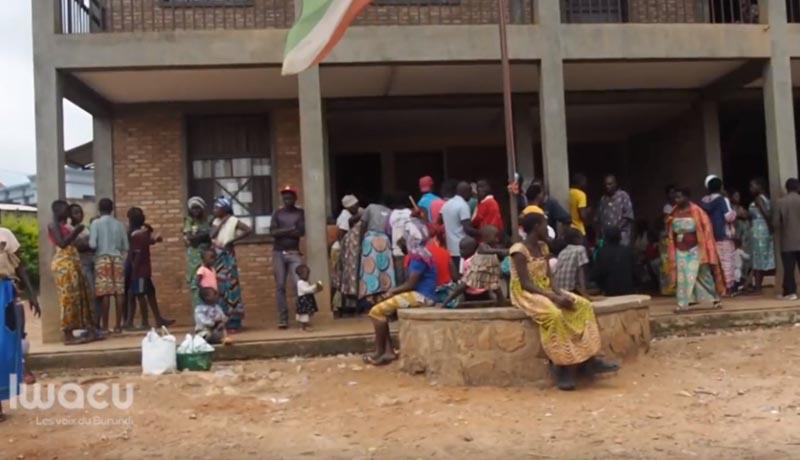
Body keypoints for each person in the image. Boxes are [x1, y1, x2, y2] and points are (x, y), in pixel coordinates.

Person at [509, 213, 618, 391]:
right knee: (555, 315)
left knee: (583, 306)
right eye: (544, 225)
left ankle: (588, 359)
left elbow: (549, 277)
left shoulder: (543, 247)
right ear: (536, 227)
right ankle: (560, 366)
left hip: (545, 289)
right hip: (526, 293)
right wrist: (554, 298)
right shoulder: (518, 251)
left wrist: (560, 294)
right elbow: (525, 283)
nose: (547, 229)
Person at [363, 219, 438, 366]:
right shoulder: (423, 253)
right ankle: (388, 351)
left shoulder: (418, 257)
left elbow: (411, 284)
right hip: (422, 295)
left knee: (376, 311)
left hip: (421, 296)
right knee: (382, 311)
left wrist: (392, 291)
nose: (402, 241)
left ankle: (380, 352)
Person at [0, 228, 40, 422]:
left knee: (5, 345)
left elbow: (20, 267)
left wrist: (32, 294)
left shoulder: (5, 235)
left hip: (4, 296)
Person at [668, 187, 725, 311]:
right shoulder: (674, 211)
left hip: (695, 248)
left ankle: (715, 299)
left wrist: (707, 248)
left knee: (702, 274)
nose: (677, 200)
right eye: (675, 197)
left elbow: (707, 229)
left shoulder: (697, 211)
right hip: (680, 249)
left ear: (687, 197)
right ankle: (683, 303)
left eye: (680, 197)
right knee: (682, 275)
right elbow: (670, 228)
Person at [50, 200, 97, 344]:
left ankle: (90, 330)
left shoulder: (67, 226)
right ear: (57, 211)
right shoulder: (53, 225)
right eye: (65, 210)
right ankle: (68, 335)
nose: (68, 212)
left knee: (83, 296)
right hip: (63, 263)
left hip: (74, 262)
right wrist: (76, 232)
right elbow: (62, 243)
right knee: (67, 299)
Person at [126, 208, 173, 329]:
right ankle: (146, 321)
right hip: (141, 270)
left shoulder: (134, 233)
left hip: (139, 269)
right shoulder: (140, 234)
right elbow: (151, 239)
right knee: (142, 294)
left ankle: (153, 320)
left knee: (146, 293)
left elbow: (149, 238)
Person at [213, 196, 253, 332]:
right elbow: (211, 235)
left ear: (225, 209)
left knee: (232, 287)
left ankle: (234, 322)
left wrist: (234, 240)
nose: (215, 210)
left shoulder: (233, 220)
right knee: (220, 288)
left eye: (217, 208)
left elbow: (248, 230)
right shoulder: (216, 221)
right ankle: (222, 320)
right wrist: (221, 223)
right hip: (217, 258)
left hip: (228, 256)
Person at [89, 198, 128, 334]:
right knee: (119, 292)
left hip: (102, 258)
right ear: (112, 209)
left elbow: (92, 244)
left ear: (99, 209)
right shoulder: (119, 224)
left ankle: (105, 326)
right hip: (117, 258)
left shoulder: (95, 223)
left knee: (105, 293)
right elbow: (126, 246)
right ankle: (118, 325)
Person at [269, 186, 303, 329]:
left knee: (299, 284)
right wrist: (289, 229)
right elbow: (273, 232)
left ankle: (302, 316)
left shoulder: (300, 213)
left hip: (294, 252)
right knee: (280, 286)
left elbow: (300, 232)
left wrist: (281, 231)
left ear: (295, 198)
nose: (287, 199)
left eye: (290, 197)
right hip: (278, 253)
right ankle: (283, 318)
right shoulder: (277, 213)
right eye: (285, 197)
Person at [440, 235, 504, 307]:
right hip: (484, 292)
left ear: (472, 250)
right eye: (460, 249)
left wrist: (446, 302)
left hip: (472, 294)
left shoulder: (470, 262)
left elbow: (464, 285)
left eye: (463, 249)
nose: (460, 251)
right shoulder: (474, 259)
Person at [699, 175, 736, 290]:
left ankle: (714, 287)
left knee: (712, 261)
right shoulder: (722, 200)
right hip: (723, 235)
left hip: (708, 236)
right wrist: (735, 213)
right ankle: (727, 286)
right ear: (720, 187)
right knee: (726, 261)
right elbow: (728, 217)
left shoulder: (703, 201)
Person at [358, 198, 396, 301]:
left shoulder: (370, 207)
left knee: (369, 270)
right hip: (385, 241)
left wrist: (360, 241)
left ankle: (370, 297)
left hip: (370, 240)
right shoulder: (390, 211)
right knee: (385, 269)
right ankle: (385, 295)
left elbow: (363, 225)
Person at [69, 204, 101, 320]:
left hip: (93, 260)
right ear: (70, 215)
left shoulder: (85, 227)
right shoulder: (71, 229)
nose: (79, 215)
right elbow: (79, 245)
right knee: (89, 293)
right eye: (75, 213)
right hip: (82, 262)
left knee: (97, 293)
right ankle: (90, 323)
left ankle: (96, 322)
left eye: (80, 212)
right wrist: (92, 244)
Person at [441, 181, 480, 268]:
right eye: (470, 192)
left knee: (456, 276)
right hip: (463, 249)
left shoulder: (446, 205)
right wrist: (481, 233)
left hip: (451, 248)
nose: (471, 195)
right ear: (465, 192)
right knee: (464, 274)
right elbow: (467, 228)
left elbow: (440, 220)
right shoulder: (463, 206)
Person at [774, 178, 800, 300]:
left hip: (787, 240)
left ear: (786, 188)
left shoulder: (780, 202)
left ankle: (791, 292)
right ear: (798, 187)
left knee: (789, 268)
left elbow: (776, 223)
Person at [591, 227, 637, 296]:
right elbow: (636, 272)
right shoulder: (628, 250)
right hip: (628, 290)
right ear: (620, 237)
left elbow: (597, 274)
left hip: (610, 291)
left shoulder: (601, 252)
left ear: (605, 238)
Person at [748, 178, 775, 292]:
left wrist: (770, 229)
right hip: (763, 230)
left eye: (752, 186)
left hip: (760, 231)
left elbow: (766, 214)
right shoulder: (766, 197)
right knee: (763, 258)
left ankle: (758, 286)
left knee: (758, 259)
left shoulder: (758, 199)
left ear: (759, 186)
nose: (751, 189)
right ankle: (757, 285)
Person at [183, 196, 211, 307]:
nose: (196, 211)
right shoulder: (189, 220)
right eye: (193, 208)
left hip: (207, 255)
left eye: (198, 208)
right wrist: (204, 235)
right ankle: (199, 313)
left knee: (207, 282)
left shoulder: (207, 220)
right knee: (196, 282)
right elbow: (190, 238)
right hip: (194, 257)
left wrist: (199, 236)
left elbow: (210, 236)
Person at [595, 175, 634, 246]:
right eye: (606, 184)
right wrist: (597, 237)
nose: (607, 186)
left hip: (621, 237)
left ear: (615, 184)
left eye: (610, 184)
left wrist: (615, 230)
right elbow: (598, 220)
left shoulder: (623, 196)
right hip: (606, 239)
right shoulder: (603, 199)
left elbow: (628, 216)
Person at [553, 228, 589, 295]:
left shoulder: (562, 252)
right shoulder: (580, 249)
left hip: (559, 289)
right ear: (577, 239)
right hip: (571, 289)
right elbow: (581, 271)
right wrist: (584, 292)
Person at [387, 193, 412, 284]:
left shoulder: (391, 214)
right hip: (409, 249)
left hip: (396, 249)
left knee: (399, 277)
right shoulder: (409, 213)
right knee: (409, 275)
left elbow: (389, 231)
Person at [730, 189, 752, 288]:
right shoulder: (730, 208)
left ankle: (744, 279)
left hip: (745, 237)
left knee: (745, 258)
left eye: (738, 196)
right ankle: (738, 281)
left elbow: (747, 216)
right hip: (736, 237)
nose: (737, 198)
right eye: (735, 196)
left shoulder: (741, 208)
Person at [295, 264, 323, 332]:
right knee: (304, 315)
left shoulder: (306, 282)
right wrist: (314, 286)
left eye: (308, 274)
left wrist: (317, 289)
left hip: (308, 300)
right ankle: (302, 327)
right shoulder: (300, 283)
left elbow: (310, 291)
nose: (307, 276)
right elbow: (306, 290)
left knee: (308, 314)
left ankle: (306, 326)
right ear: (300, 274)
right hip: (303, 301)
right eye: (305, 274)